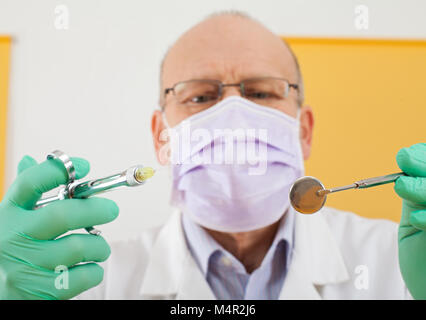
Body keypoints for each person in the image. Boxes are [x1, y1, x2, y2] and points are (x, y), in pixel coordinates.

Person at [0, 12, 425, 300]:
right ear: (160, 136)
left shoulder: (396, 266)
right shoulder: (92, 282)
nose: (234, 116)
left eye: (261, 92)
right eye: (200, 95)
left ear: (305, 130)